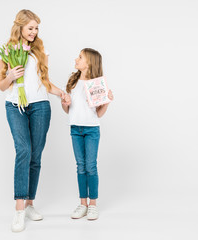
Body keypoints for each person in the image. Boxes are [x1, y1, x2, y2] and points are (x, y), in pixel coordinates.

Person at [0, 9, 68, 232]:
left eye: (36, 28)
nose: (34, 32)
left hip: (40, 106)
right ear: (20, 27)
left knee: (35, 156)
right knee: (23, 150)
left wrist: (61, 93)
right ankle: (18, 211)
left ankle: (29, 204)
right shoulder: (4, 52)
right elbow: (2, 86)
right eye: (30, 28)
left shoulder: (41, 50)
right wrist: (10, 76)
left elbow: (45, 82)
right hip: (15, 105)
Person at [61, 48, 114, 220]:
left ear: (89, 63)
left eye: (80, 57)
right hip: (75, 129)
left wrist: (107, 101)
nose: (76, 59)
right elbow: (67, 109)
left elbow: (98, 114)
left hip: (91, 129)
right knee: (80, 166)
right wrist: (65, 102)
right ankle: (82, 203)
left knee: (91, 166)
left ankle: (93, 205)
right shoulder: (73, 82)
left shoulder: (96, 85)